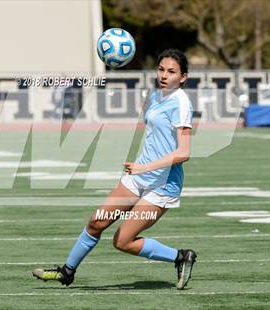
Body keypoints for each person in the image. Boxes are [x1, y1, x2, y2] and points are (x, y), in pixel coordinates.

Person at [32, 49, 197, 290]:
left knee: (122, 241)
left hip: (162, 185)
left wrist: (144, 166)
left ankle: (180, 257)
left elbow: (184, 153)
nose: (164, 75)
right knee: (96, 222)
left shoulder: (181, 103)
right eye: (161, 69)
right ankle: (66, 272)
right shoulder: (155, 95)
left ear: (183, 77)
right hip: (139, 177)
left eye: (171, 72)